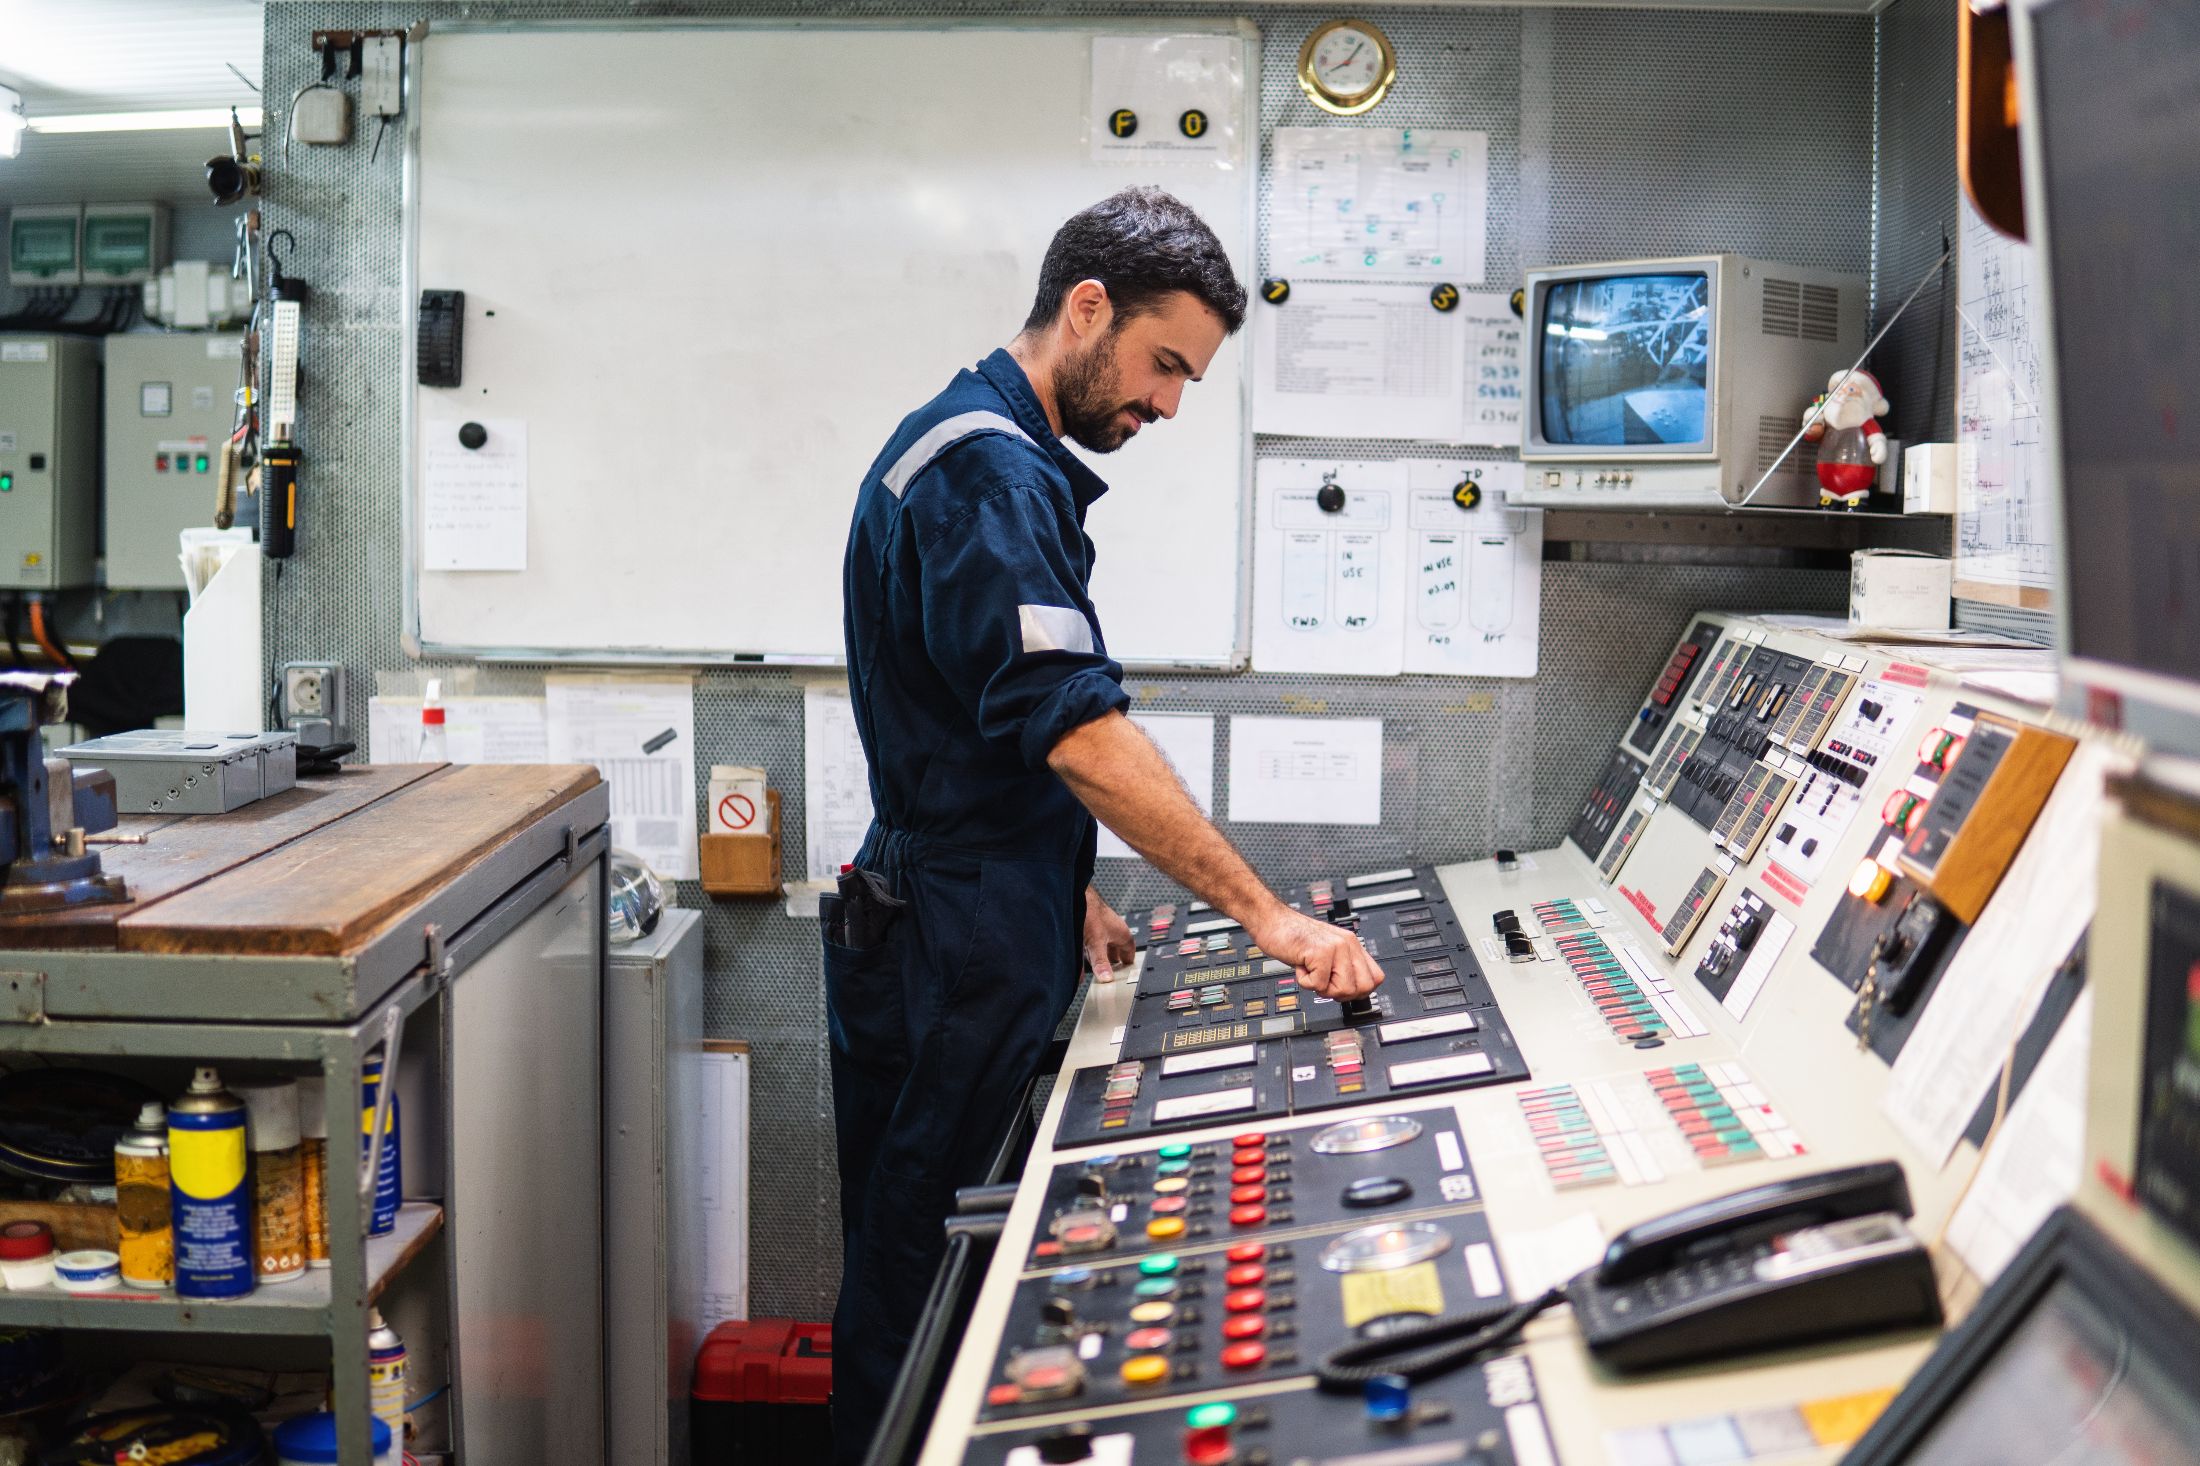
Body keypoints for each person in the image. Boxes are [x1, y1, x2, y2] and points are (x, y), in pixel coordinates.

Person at [825, 186, 1385, 1461]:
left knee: (939, 1252)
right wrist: (1269, 915)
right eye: (1163, 363)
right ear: (1087, 310)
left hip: (969, 902)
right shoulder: (982, 468)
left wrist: (1055, 875)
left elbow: (970, 719)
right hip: (949, 943)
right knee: (922, 1277)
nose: (1169, 403)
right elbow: (1073, 726)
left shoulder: (985, 450)